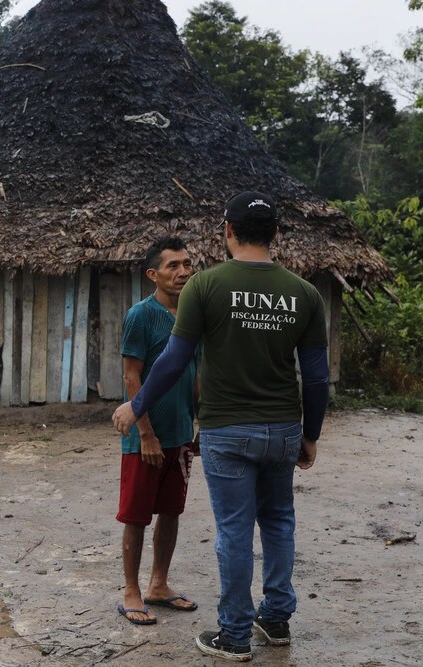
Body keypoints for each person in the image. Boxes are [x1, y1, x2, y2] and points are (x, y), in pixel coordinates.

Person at [112, 191, 329, 662]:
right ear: (275, 234)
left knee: (234, 530)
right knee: (279, 522)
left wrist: (136, 406)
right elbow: (315, 376)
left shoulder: (205, 287)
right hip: (283, 427)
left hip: (227, 430)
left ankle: (233, 634)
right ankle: (275, 619)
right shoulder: (305, 293)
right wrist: (310, 433)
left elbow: (173, 360)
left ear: (226, 231)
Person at [116, 236, 200, 626]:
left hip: (182, 432)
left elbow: (198, 374)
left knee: (171, 510)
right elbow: (132, 377)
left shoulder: (193, 314)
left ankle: (159, 584)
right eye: (173, 266)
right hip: (145, 438)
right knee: (136, 515)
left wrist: (200, 423)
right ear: (153, 274)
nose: (183, 271)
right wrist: (146, 433)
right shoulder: (140, 315)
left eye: (187, 264)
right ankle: (132, 590)